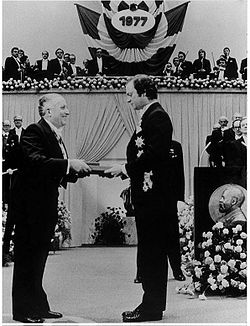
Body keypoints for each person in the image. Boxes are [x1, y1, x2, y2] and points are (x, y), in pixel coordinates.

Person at [9, 93, 91, 323]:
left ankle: (38, 305)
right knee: (28, 258)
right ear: (47, 112)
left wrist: (73, 172)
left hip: (43, 206)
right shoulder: (35, 131)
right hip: (31, 208)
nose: (67, 111)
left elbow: (51, 168)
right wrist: (68, 164)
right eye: (62, 107)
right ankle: (23, 311)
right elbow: (36, 162)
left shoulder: (53, 134)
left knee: (38, 258)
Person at [106, 75, 175, 322]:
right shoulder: (150, 115)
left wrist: (125, 169)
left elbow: (154, 155)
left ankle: (152, 308)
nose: (127, 99)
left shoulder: (157, 117)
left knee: (153, 252)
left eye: (129, 94)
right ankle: (151, 304)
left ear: (144, 92)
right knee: (149, 252)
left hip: (154, 199)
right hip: (149, 195)